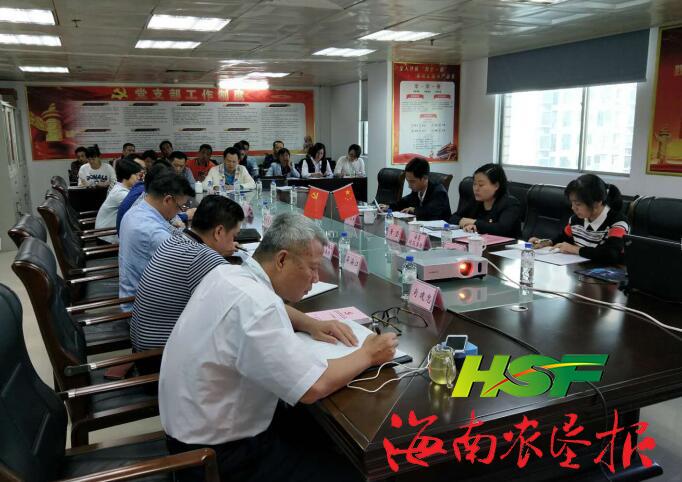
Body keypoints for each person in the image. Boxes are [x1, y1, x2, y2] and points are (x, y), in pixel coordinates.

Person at [159, 213, 397, 482]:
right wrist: (369, 353)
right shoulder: (259, 305)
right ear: (282, 259)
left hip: (190, 432)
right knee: (356, 471)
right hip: (220, 458)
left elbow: (264, 307)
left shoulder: (227, 273)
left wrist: (309, 323)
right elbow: (312, 386)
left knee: (315, 430)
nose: (316, 278)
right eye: (312, 268)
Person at [131, 195, 245, 355]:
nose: (234, 241)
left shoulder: (175, 239)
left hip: (143, 343)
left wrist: (219, 251)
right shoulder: (202, 257)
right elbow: (242, 305)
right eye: (234, 236)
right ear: (219, 232)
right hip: (160, 355)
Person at [118, 169, 194, 308]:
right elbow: (191, 265)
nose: (179, 212)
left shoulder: (138, 210)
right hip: (145, 309)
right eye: (179, 207)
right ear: (168, 200)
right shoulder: (152, 232)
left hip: (135, 293)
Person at [530, 174, 629, 264]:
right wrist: (545, 242)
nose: (573, 208)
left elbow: (611, 254)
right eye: (572, 203)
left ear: (597, 203)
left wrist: (575, 249)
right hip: (580, 269)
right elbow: (563, 238)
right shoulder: (576, 219)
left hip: (605, 273)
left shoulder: (618, 223)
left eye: (578, 204)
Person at [449, 163, 522, 238]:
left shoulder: (510, 204)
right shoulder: (476, 200)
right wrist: (467, 224)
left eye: (481, 185)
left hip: (507, 244)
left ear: (496, 185)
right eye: (474, 184)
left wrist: (474, 223)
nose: (476, 189)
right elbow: (453, 218)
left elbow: (501, 229)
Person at [381, 157, 451, 221]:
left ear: (424, 178)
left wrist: (414, 210)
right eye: (408, 181)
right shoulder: (417, 191)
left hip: (440, 230)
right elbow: (404, 202)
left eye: (412, 181)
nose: (409, 186)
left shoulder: (439, 192)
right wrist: (389, 207)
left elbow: (430, 212)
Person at [95, 155, 145, 243]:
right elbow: (144, 207)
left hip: (111, 232)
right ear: (127, 175)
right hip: (107, 237)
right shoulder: (121, 193)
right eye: (138, 175)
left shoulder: (122, 188)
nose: (140, 178)